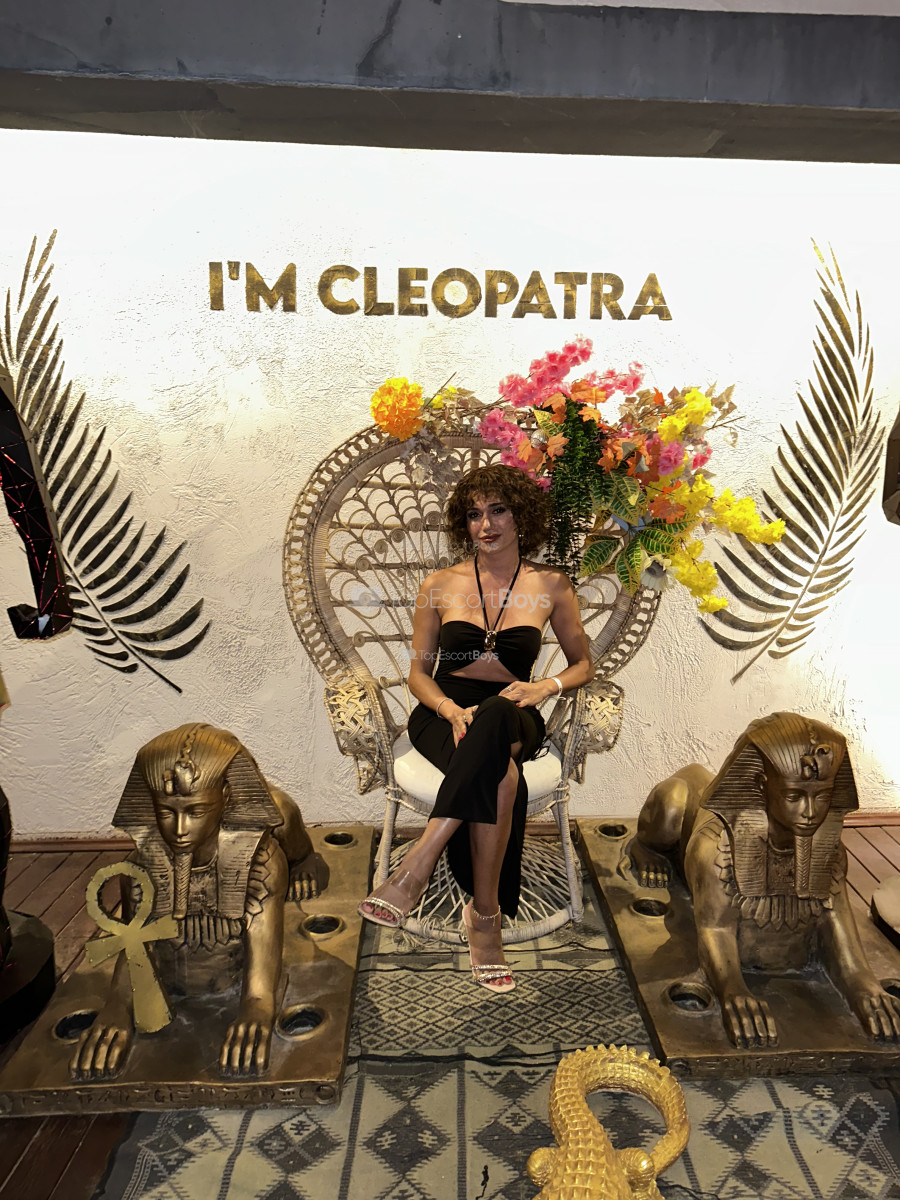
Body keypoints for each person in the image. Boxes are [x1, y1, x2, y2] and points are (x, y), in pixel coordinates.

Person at [359, 464, 594, 993]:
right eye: (473, 514)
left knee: (495, 713)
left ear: (521, 516)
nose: (485, 525)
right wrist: (447, 709)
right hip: (442, 711)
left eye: (498, 510)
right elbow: (418, 675)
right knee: (502, 778)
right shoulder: (439, 585)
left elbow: (583, 665)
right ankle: (485, 919)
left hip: (515, 709)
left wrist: (545, 687)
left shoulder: (551, 585)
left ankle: (416, 866)